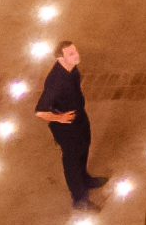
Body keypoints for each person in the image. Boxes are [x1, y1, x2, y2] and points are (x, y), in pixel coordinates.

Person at [34, 44, 104, 207]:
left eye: (75, 51)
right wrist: (60, 117)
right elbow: (40, 111)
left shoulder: (73, 70)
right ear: (60, 58)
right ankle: (79, 199)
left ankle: (85, 179)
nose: (76, 55)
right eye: (71, 53)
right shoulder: (56, 81)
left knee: (83, 148)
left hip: (79, 118)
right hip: (66, 127)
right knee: (71, 160)